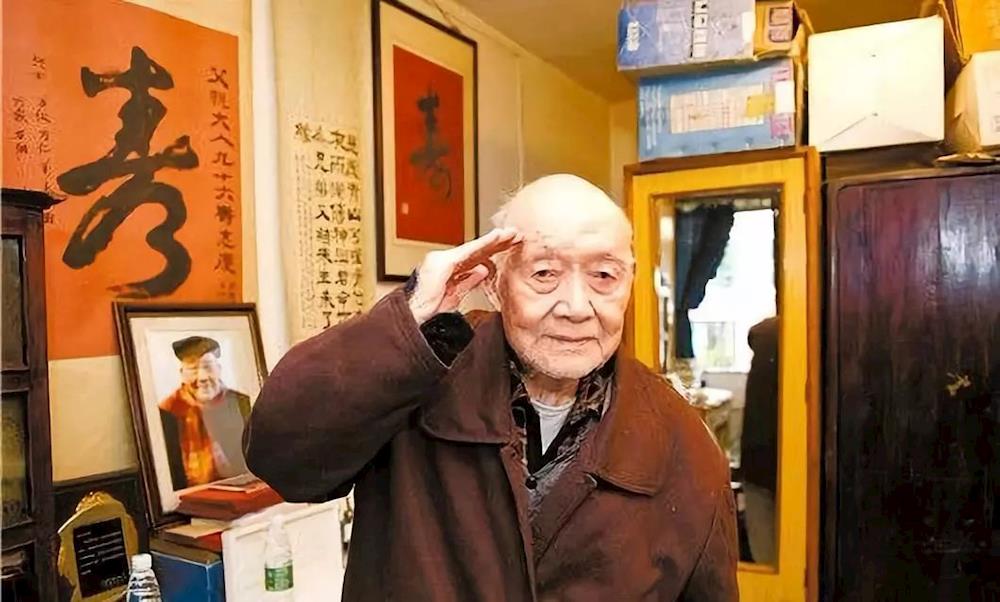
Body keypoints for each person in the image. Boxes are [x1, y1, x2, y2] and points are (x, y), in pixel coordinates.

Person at [244, 174, 738, 600]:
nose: (576, 306)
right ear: (495, 284)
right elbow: (281, 458)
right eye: (544, 273)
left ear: (630, 283)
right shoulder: (418, 376)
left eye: (604, 276)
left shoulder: (684, 445)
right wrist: (408, 318)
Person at [159, 335, 251, 490]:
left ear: (219, 369)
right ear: (182, 373)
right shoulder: (167, 412)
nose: (202, 377)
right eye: (193, 369)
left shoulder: (242, 404)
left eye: (208, 367)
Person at [740, 316, 779, 565]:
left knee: (764, 552)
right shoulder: (804, 337)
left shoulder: (765, 334)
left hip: (756, 458)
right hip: (787, 463)